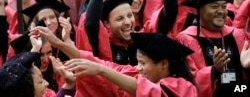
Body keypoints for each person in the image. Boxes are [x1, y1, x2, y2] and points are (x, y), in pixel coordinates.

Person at [30, 25, 199, 97]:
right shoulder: (133, 74)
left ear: (164, 63)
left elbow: (150, 92)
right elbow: (102, 64)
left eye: (143, 63)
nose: (138, 68)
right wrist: (58, 43)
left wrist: (101, 70)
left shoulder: (183, 88)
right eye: (137, 62)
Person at [176, 0, 250, 97]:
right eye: (215, 6)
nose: (221, 11)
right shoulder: (186, 39)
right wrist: (214, 70)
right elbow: (189, 82)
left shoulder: (237, 35)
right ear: (199, 10)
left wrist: (247, 68)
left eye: (224, 6)